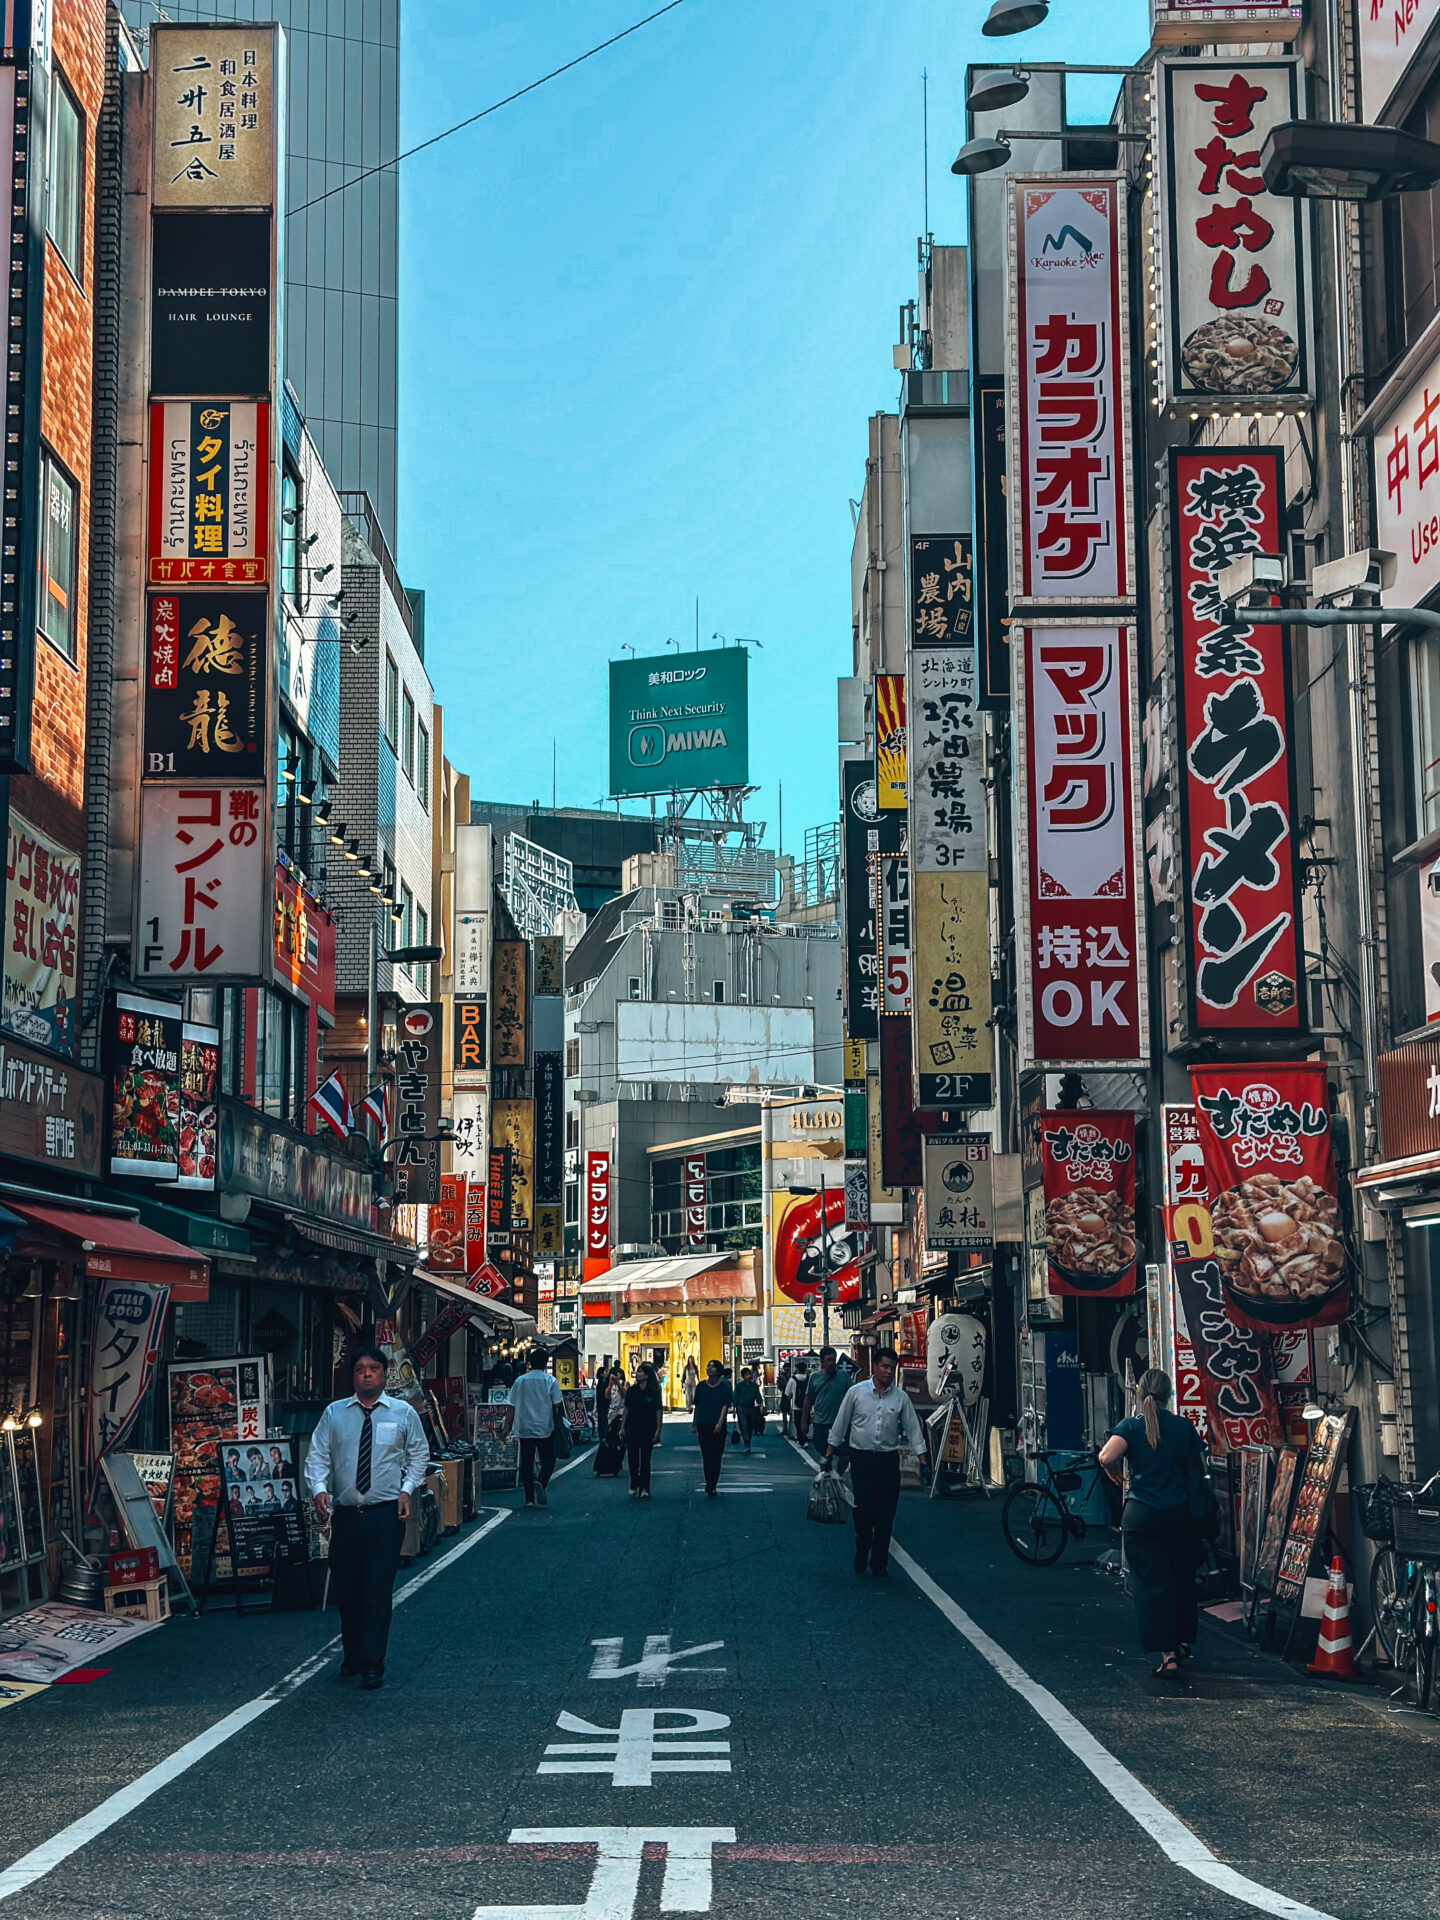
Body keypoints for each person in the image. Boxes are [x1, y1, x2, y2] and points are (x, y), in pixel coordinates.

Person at [304, 1344, 428, 1689]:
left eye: (374, 1368)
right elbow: (318, 1455)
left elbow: (419, 1454)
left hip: (385, 1514)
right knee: (347, 1589)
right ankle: (353, 1654)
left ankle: (373, 1663)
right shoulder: (334, 1414)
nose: (367, 1374)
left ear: (385, 1374)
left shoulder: (402, 1413)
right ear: (353, 1375)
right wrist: (318, 1488)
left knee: (376, 1590)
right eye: (361, 1369)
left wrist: (407, 1489)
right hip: (345, 1514)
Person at [1098, 1369, 1204, 1680]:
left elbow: (1105, 1456)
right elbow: (1198, 1470)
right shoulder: (1183, 1427)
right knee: (1181, 1579)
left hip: (1142, 1515)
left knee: (1152, 1584)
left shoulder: (1131, 1426)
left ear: (1139, 1393)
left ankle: (1167, 1656)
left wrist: (1114, 1469)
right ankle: (1182, 1642)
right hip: (1180, 1516)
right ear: (1169, 1395)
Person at [825, 1348, 927, 1577]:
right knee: (864, 1510)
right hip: (861, 1460)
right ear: (874, 1367)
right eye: (885, 1367)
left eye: (892, 1368)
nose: (889, 1372)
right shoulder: (856, 1393)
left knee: (886, 1513)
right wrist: (829, 1453)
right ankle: (863, 1547)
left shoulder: (900, 1397)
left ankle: (879, 1562)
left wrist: (923, 1460)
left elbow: (913, 1429)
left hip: (888, 1461)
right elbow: (841, 1423)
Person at [510, 1347, 566, 1509]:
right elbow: (557, 1403)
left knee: (526, 1463)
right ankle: (541, 1482)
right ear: (545, 1363)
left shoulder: (520, 1381)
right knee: (548, 1459)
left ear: (530, 1363)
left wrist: (507, 1426)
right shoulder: (550, 1381)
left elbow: (511, 1405)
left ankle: (528, 1499)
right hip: (544, 1426)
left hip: (524, 1427)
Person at [692, 1358, 732, 1497]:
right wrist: (694, 1423)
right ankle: (709, 1482)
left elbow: (725, 1406)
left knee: (716, 1455)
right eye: (708, 1367)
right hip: (703, 1424)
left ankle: (713, 1483)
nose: (709, 1369)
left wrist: (720, 1423)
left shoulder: (723, 1387)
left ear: (718, 1371)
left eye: (712, 1367)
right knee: (706, 1455)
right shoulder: (701, 1386)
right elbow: (697, 1405)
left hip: (718, 1425)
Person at [622, 1362, 663, 1498]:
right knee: (632, 1459)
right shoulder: (632, 1391)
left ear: (646, 1375)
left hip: (648, 1428)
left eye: (640, 1371)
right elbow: (626, 1409)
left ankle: (645, 1487)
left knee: (646, 1459)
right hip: (632, 1427)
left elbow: (658, 1411)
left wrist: (658, 1430)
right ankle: (634, 1482)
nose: (637, 1374)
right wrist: (622, 1427)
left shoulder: (654, 1392)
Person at [805, 1348, 850, 1464]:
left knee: (845, 1455)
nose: (832, 1363)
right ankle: (826, 1478)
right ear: (822, 1361)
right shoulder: (814, 1377)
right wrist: (803, 1421)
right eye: (829, 1360)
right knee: (825, 1457)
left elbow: (852, 1397)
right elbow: (808, 1400)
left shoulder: (844, 1377)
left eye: (834, 1360)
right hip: (821, 1424)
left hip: (840, 1424)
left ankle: (838, 1477)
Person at [734, 1367, 763, 1453]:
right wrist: (735, 1408)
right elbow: (735, 1396)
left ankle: (748, 1441)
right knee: (744, 1425)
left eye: (749, 1374)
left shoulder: (754, 1386)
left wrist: (760, 1404)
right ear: (743, 1376)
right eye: (747, 1375)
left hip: (751, 1407)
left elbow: (758, 1396)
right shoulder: (739, 1386)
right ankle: (746, 1442)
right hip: (741, 1408)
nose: (749, 1376)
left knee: (750, 1426)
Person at [786, 1362, 809, 1442]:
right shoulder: (809, 1378)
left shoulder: (793, 1379)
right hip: (807, 1405)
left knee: (798, 1422)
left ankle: (801, 1439)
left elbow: (787, 1392)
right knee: (806, 1421)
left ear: (797, 1369)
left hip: (796, 1405)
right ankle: (805, 1437)